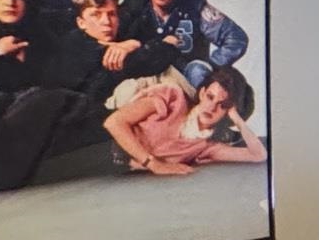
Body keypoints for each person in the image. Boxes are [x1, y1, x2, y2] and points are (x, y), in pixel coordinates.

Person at [105, 63, 265, 175]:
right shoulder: (174, 98)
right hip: (100, 146)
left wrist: (237, 120)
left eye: (222, 105)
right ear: (202, 93)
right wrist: (153, 164)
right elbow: (113, 122)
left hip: (119, 176)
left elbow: (258, 155)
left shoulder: (207, 147)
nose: (211, 107)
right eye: (210, 97)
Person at [44, 0, 186, 106]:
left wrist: (131, 43)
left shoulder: (108, 38)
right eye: (96, 14)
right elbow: (146, 62)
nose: (106, 22)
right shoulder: (76, 45)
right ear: (81, 23)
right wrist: (168, 42)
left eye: (111, 14)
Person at [118, 0, 246, 89]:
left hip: (186, 84)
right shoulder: (134, 5)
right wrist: (124, 45)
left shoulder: (195, 7)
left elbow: (236, 38)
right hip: (144, 80)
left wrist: (210, 66)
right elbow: (106, 34)